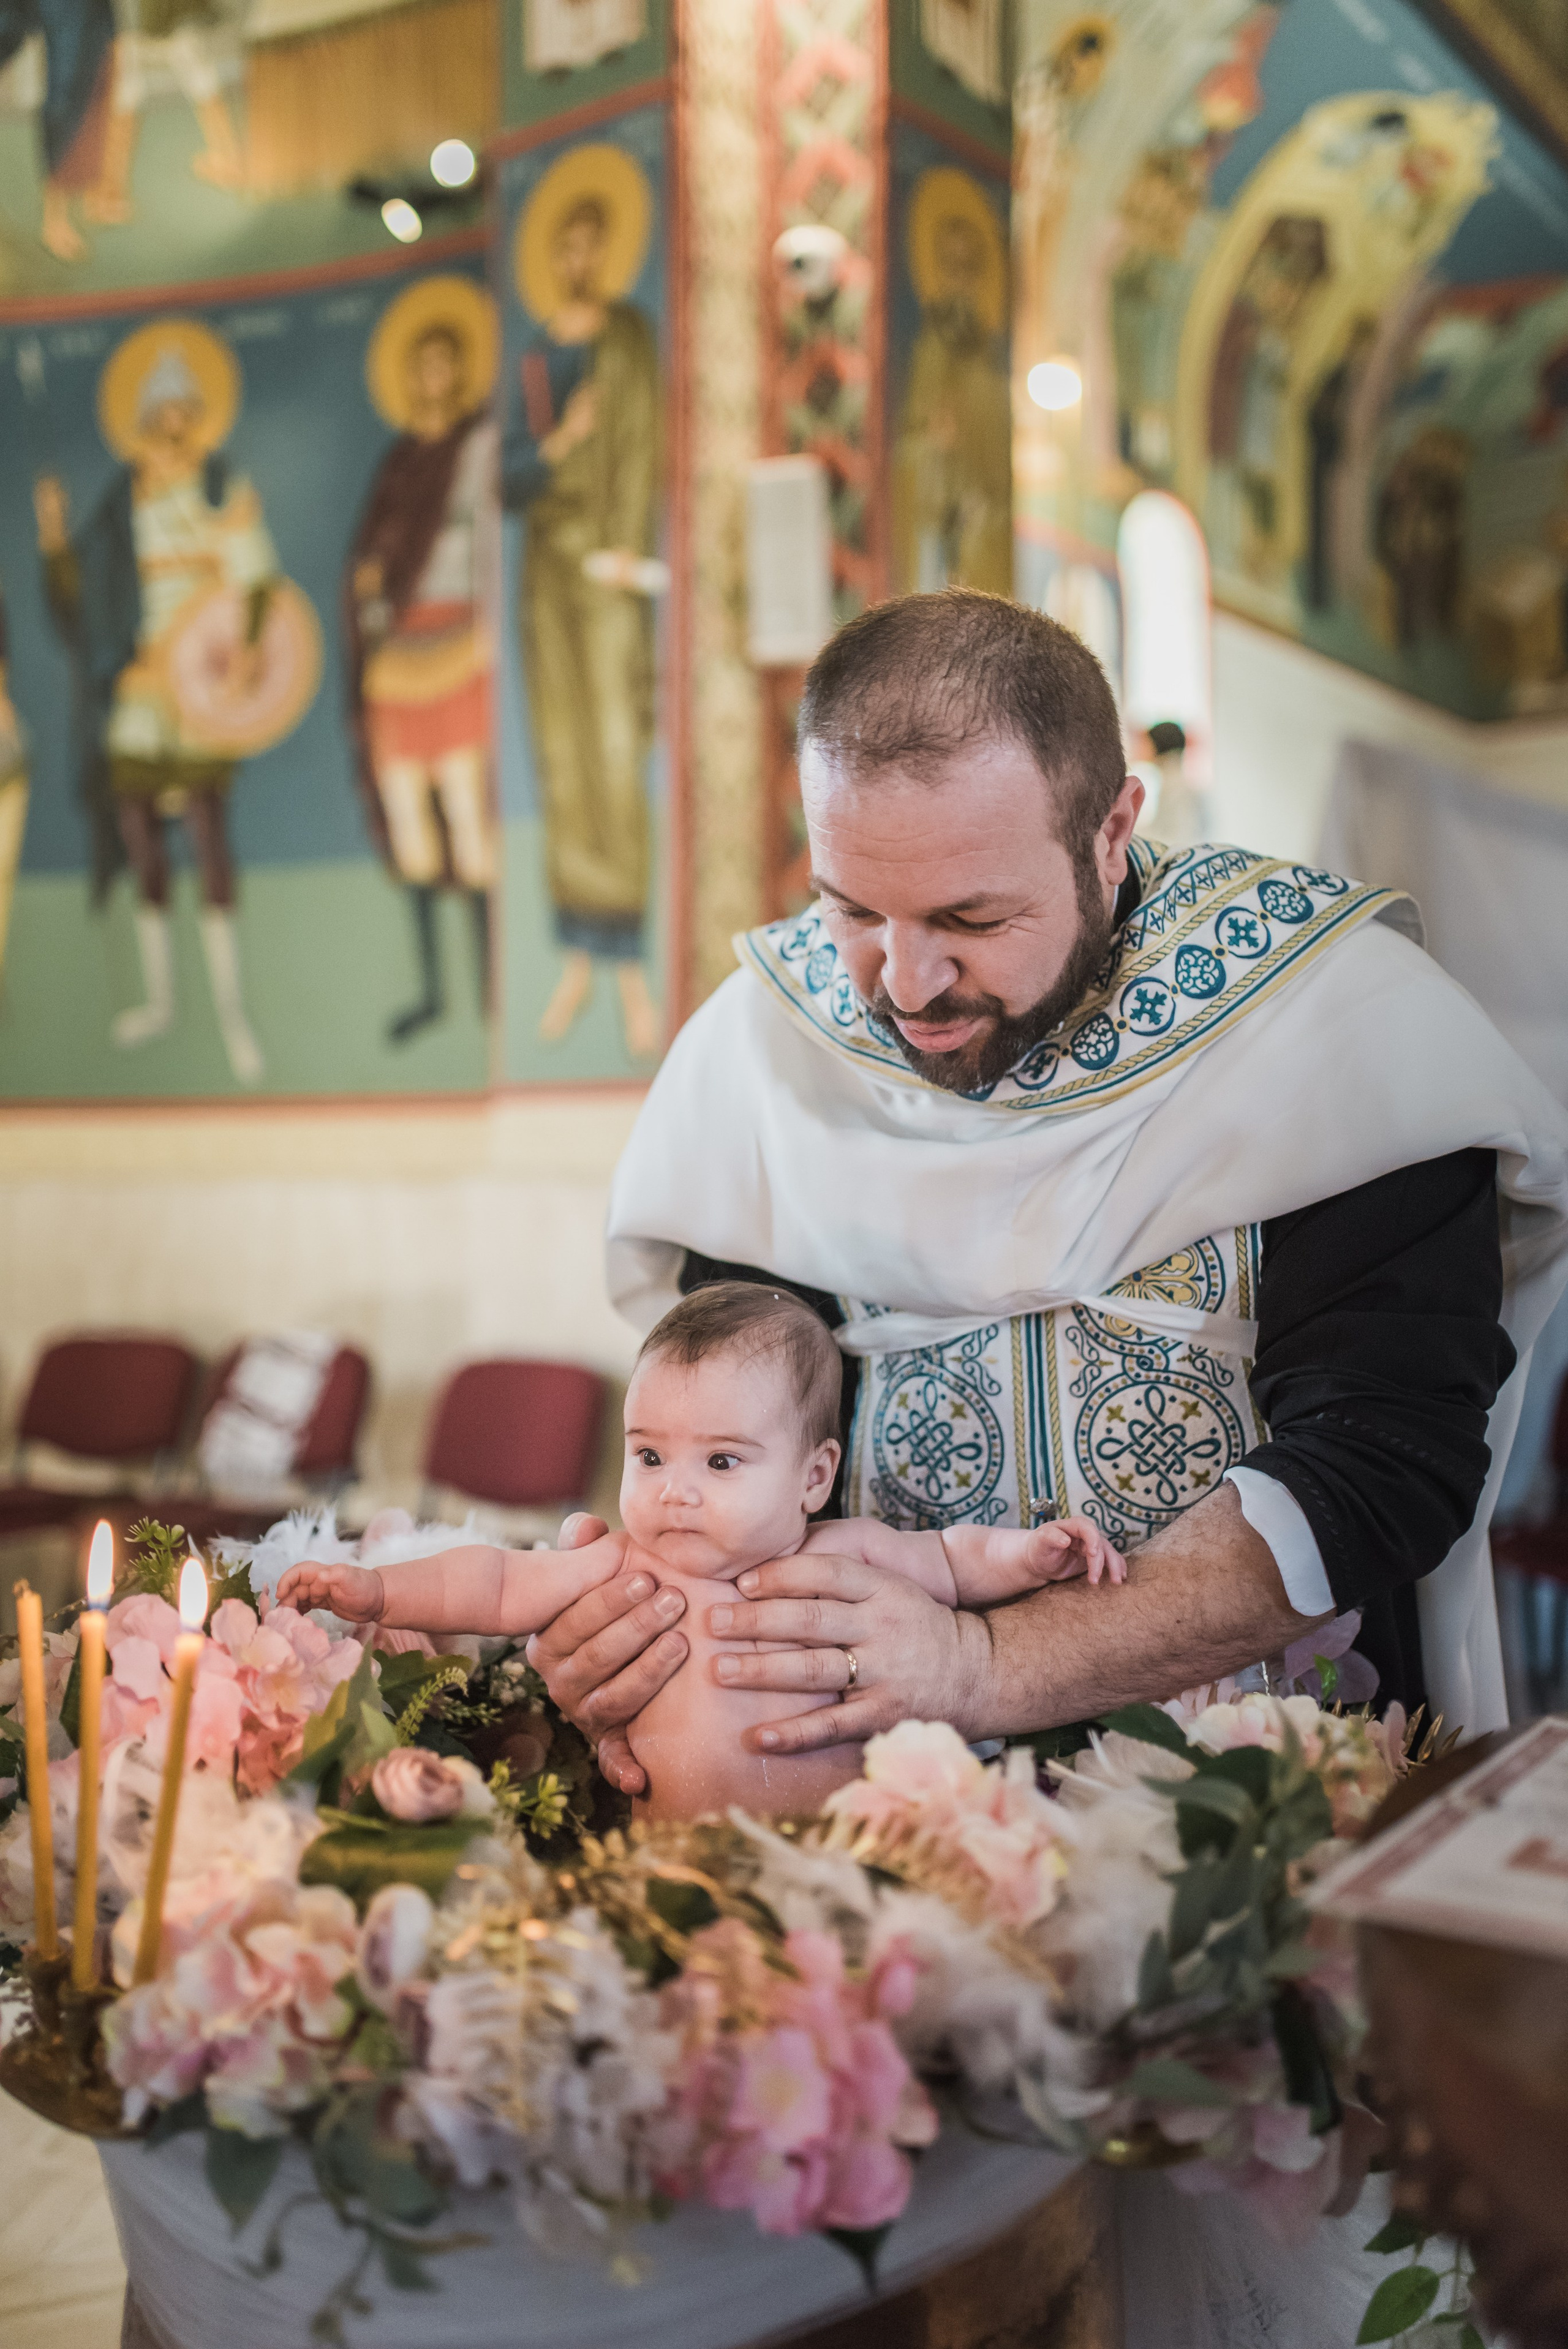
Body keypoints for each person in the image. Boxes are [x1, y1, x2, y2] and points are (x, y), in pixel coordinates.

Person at [524, 589, 1568, 1800]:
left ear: (1109, 828)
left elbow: (1384, 1453)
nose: (904, 984)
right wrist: (648, 1623)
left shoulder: (1329, 1024)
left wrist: (980, 1661)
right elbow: (732, 1420)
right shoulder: (774, 1051)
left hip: (1258, 1794)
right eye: (852, 908)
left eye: (970, 917)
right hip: (868, 1794)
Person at [276, 1284, 1120, 1819]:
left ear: (813, 1476)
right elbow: (495, 1580)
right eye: (649, 1454)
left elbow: (954, 1559)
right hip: (667, 1854)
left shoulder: (851, 1555)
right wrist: (375, 1587)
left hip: (840, 1852)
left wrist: (1033, 1552)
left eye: (720, 1461)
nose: (674, 1489)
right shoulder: (625, 1565)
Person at [36, 340, 276, 1082]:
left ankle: (233, 1015)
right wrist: (52, 539)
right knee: (142, 843)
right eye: (159, 415)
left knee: (210, 848)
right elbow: (88, 598)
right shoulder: (121, 500)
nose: (171, 427)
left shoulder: (221, 486)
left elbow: (256, 583)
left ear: (197, 419)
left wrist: (242, 653)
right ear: (143, 422)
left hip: (201, 687)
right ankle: (161, 1004)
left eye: (182, 414)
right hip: (141, 690)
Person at [501, 188, 662, 1061]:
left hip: (608, 562)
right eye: (565, 244)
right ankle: (575, 957)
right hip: (547, 575)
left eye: (592, 242)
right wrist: (560, 441)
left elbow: (642, 448)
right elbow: (508, 475)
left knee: (611, 749)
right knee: (563, 755)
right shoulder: (535, 354)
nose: (578, 259)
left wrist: (626, 549)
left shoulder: (626, 337)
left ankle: (632, 971)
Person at [345, 318, 497, 1044]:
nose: (433, 378)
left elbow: (492, 542)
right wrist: (369, 584)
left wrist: (487, 628)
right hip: (399, 650)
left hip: (462, 636)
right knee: (408, 816)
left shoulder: (478, 450)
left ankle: (491, 985)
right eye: (422, 365)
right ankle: (434, 993)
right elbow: (373, 553)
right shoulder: (398, 463)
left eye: (446, 362)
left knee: (467, 813)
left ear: (460, 373)